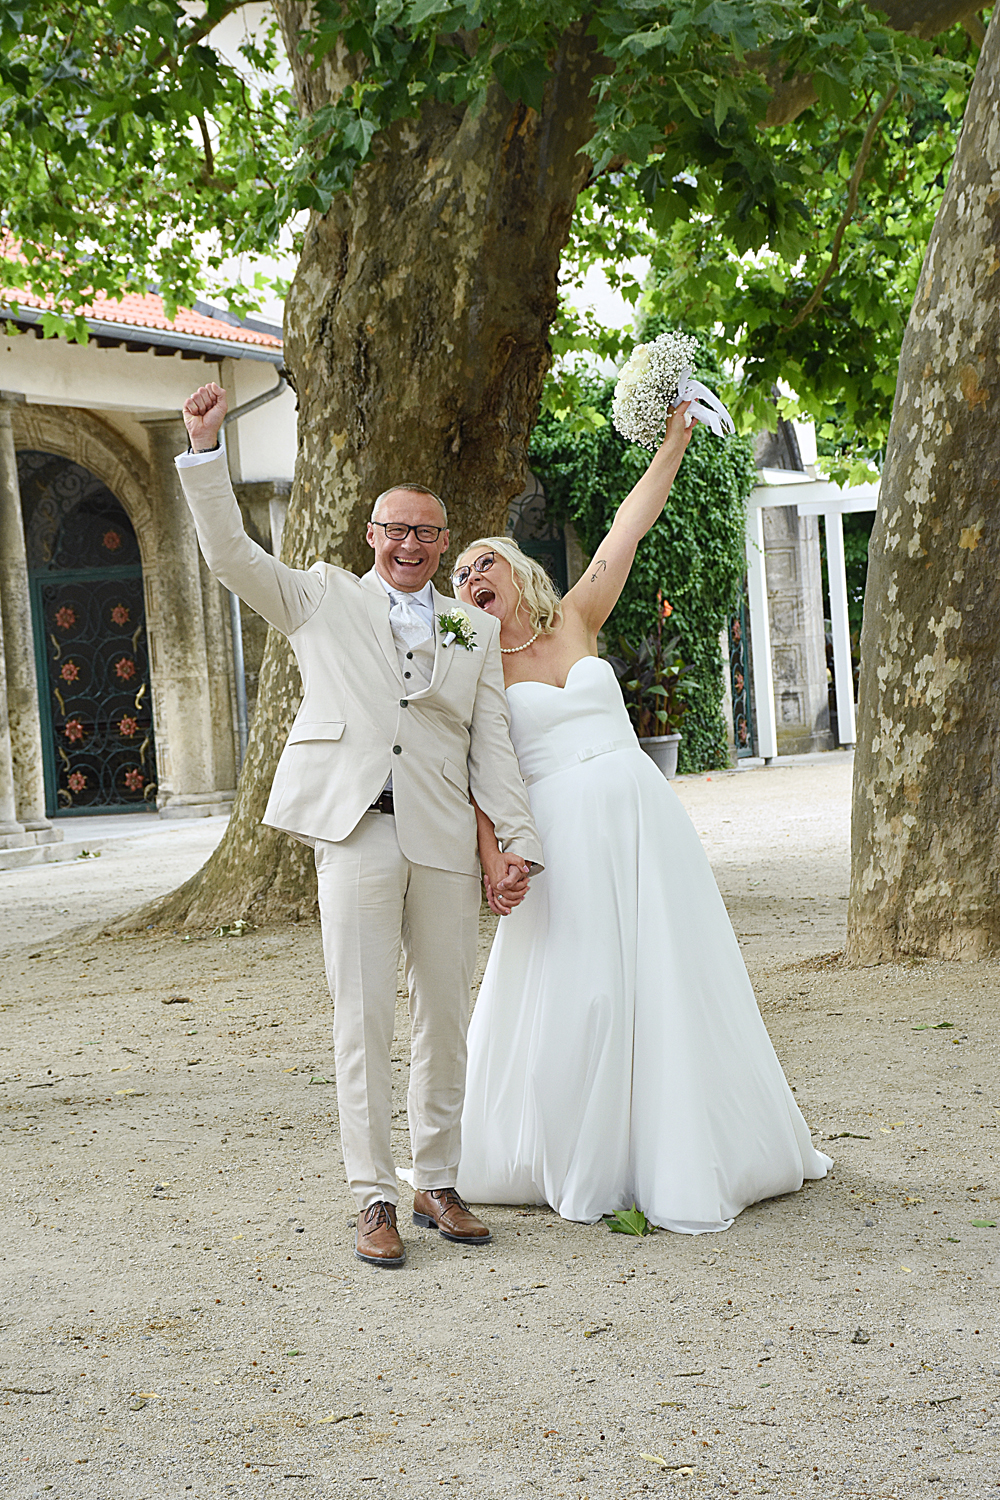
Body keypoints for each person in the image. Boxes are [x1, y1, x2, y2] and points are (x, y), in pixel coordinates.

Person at [176, 382, 543, 1268]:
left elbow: (491, 742)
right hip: (355, 831)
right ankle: (372, 1195)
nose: (411, 544)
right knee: (364, 1018)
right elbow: (229, 554)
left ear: (445, 543)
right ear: (371, 535)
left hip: (444, 838)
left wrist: (517, 842)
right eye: (396, 529)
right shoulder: (320, 596)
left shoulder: (472, 630)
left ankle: (437, 1182)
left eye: (427, 532)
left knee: (446, 1017)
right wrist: (205, 449)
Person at [452, 403, 831, 1232]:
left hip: (638, 812)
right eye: (461, 576)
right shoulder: (474, 672)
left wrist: (674, 442)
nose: (473, 575)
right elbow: (477, 779)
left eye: (485, 562)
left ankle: (683, 1148)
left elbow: (629, 523)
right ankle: (582, 1151)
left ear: (516, 572)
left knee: (669, 972)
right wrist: (492, 857)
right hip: (559, 833)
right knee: (583, 989)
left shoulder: (577, 617)